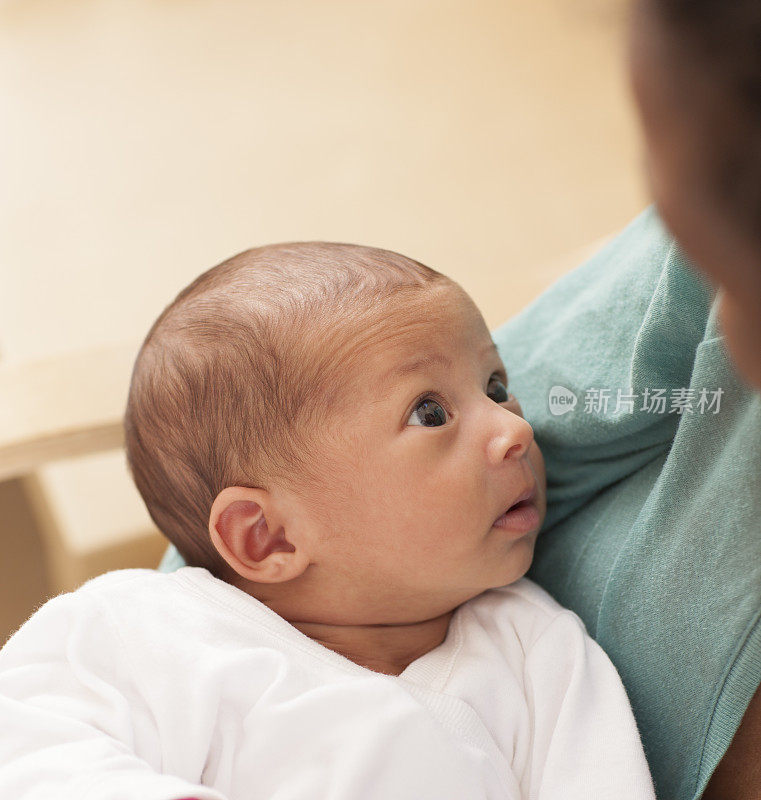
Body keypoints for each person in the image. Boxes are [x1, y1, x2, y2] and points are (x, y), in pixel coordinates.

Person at [0, 243, 655, 800]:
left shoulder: (539, 653)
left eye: (493, 386)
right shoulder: (146, 630)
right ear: (267, 536)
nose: (514, 428)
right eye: (430, 413)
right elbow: (27, 748)